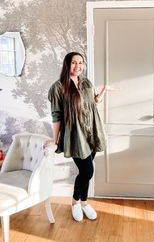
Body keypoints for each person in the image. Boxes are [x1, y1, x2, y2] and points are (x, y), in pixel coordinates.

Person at [47, 51, 110, 222]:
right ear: (67, 64)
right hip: (76, 135)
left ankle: (84, 202)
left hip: (92, 131)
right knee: (87, 170)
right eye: (74, 62)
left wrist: (100, 95)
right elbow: (56, 115)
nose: (78, 66)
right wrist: (55, 139)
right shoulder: (58, 87)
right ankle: (75, 202)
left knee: (87, 171)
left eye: (81, 62)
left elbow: (91, 103)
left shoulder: (86, 82)